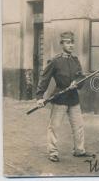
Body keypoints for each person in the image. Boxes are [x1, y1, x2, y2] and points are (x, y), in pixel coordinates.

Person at [36, 31, 94, 162]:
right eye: (68, 42)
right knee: (54, 126)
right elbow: (44, 79)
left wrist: (77, 83)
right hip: (60, 98)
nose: (71, 45)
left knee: (78, 125)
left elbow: (81, 76)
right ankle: (53, 152)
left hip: (73, 98)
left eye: (72, 42)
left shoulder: (75, 60)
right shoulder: (55, 61)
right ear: (61, 44)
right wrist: (40, 96)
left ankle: (79, 150)